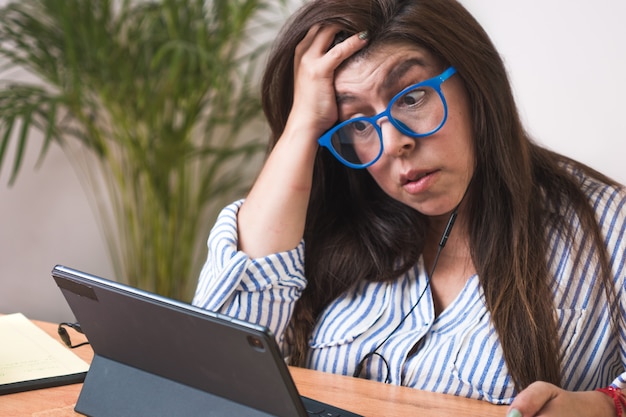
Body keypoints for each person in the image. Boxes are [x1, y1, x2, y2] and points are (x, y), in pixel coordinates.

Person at [192, 0, 626, 415]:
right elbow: (213, 374)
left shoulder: (608, 226)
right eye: (358, 123)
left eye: (412, 97)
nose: (395, 142)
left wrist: (607, 406)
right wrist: (302, 124)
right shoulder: (318, 227)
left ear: (476, 84)